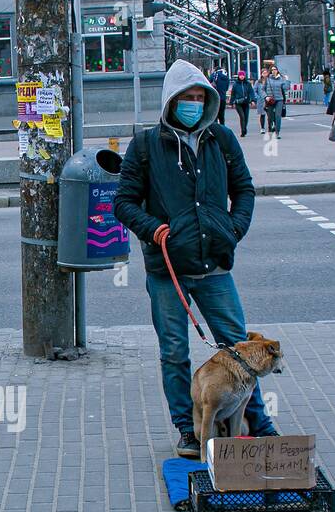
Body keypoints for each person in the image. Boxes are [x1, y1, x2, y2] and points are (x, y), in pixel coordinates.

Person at [114, 59, 279, 460]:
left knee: (239, 348)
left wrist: (232, 228)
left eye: (199, 97)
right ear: (171, 101)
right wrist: (152, 228)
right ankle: (189, 429)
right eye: (186, 97)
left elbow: (244, 189)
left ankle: (258, 423)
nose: (193, 103)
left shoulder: (221, 139)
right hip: (167, 267)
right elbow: (123, 201)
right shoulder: (146, 144)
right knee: (174, 350)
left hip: (215, 265)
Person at [261, 67, 286, 138]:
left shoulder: (281, 79)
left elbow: (286, 88)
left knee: (278, 116)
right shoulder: (268, 79)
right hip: (270, 100)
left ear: (277, 71)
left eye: (275, 69)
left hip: (279, 100)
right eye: (272, 70)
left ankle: (277, 132)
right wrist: (266, 97)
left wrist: (286, 80)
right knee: (270, 117)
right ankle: (270, 128)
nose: (273, 71)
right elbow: (262, 90)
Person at [228, 70, 254, 137]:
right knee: (242, 116)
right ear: (238, 76)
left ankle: (244, 128)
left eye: (243, 75)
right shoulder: (235, 84)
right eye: (240, 75)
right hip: (238, 102)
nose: (241, 76)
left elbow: (251, 92)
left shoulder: (247, 84)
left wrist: (252, 100)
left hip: (246, 102)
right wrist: (231, 102)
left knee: (246, 117)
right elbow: (233, 94)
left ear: (244, 76)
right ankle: (243, 131)